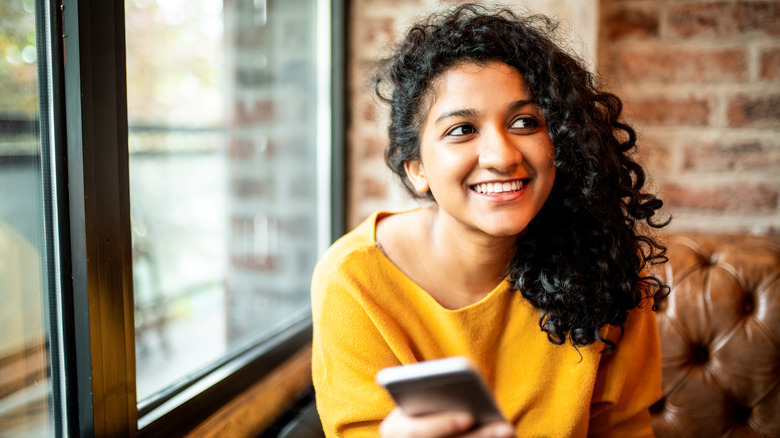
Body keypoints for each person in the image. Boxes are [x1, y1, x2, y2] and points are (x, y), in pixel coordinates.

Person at [311, 4, 670, 437]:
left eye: (525, 122)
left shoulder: (606, 260)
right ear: (416, 168)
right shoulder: (353, 281)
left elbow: (624, 430)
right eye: (462, 129)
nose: (502, 156)